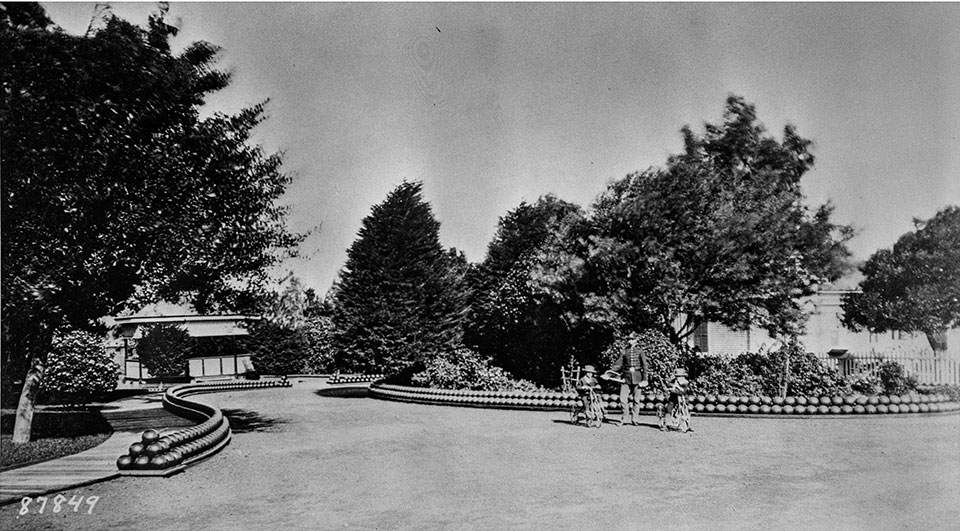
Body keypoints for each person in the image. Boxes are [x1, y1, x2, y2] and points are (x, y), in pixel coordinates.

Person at [609, 333, 649, 426]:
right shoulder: (624, 351)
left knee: (636, 400)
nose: (630, 341)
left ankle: (635, 419)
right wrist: (609, 373)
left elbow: (644, 366)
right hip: (626, 378)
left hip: (637, 377)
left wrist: (645, 379)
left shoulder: (640, 351)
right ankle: (625, 418)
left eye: (632, 339)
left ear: (636, 340)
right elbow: (618, 364)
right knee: (623, 399)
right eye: (629, 339)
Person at [658, 368, 691, 432]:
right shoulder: (673, 382)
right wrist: (667, 388)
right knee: (668, 409)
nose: (678, 378)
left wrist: (673, 390)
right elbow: (669, 386)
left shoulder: (685, 383)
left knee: (682, 413)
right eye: (677, 376)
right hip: (673, 400)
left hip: (682, 401)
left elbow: (682, 392)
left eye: (680, 376)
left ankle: (683, 426)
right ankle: (667, 424)